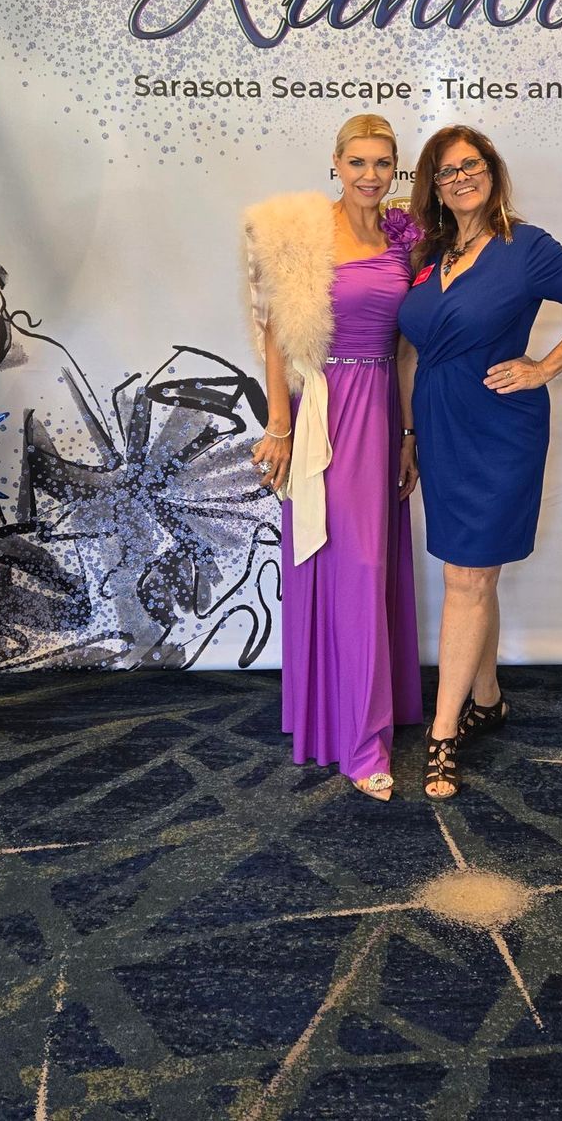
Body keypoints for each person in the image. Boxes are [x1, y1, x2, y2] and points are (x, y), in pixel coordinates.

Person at [398, 125, 562, 798]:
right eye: (446, 171)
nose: (460, 178)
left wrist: (545, 367)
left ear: (492, 172)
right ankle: (488, 700)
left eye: (471, 165)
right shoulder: (429, 253)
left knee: (466, 576)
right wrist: (408, 432)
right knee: (473, 573)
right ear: (434, 187)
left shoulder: (526, 246)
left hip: (500, 427)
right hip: (439, 427)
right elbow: (409, 350)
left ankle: (443, 735)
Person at [243, 114, 423, 800]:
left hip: (380, 408)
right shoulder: (303, 232)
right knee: (336, 564)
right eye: (358, 162)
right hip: (322, 409)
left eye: (382, 163)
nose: (370, 176)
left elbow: (405, 350)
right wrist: (280, 426)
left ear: (395, 168)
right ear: (336, 163)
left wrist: (408, 434)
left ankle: (362, 719)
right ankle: (351, 736)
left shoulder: (407, 237)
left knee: (369, 568)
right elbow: (276, 336)